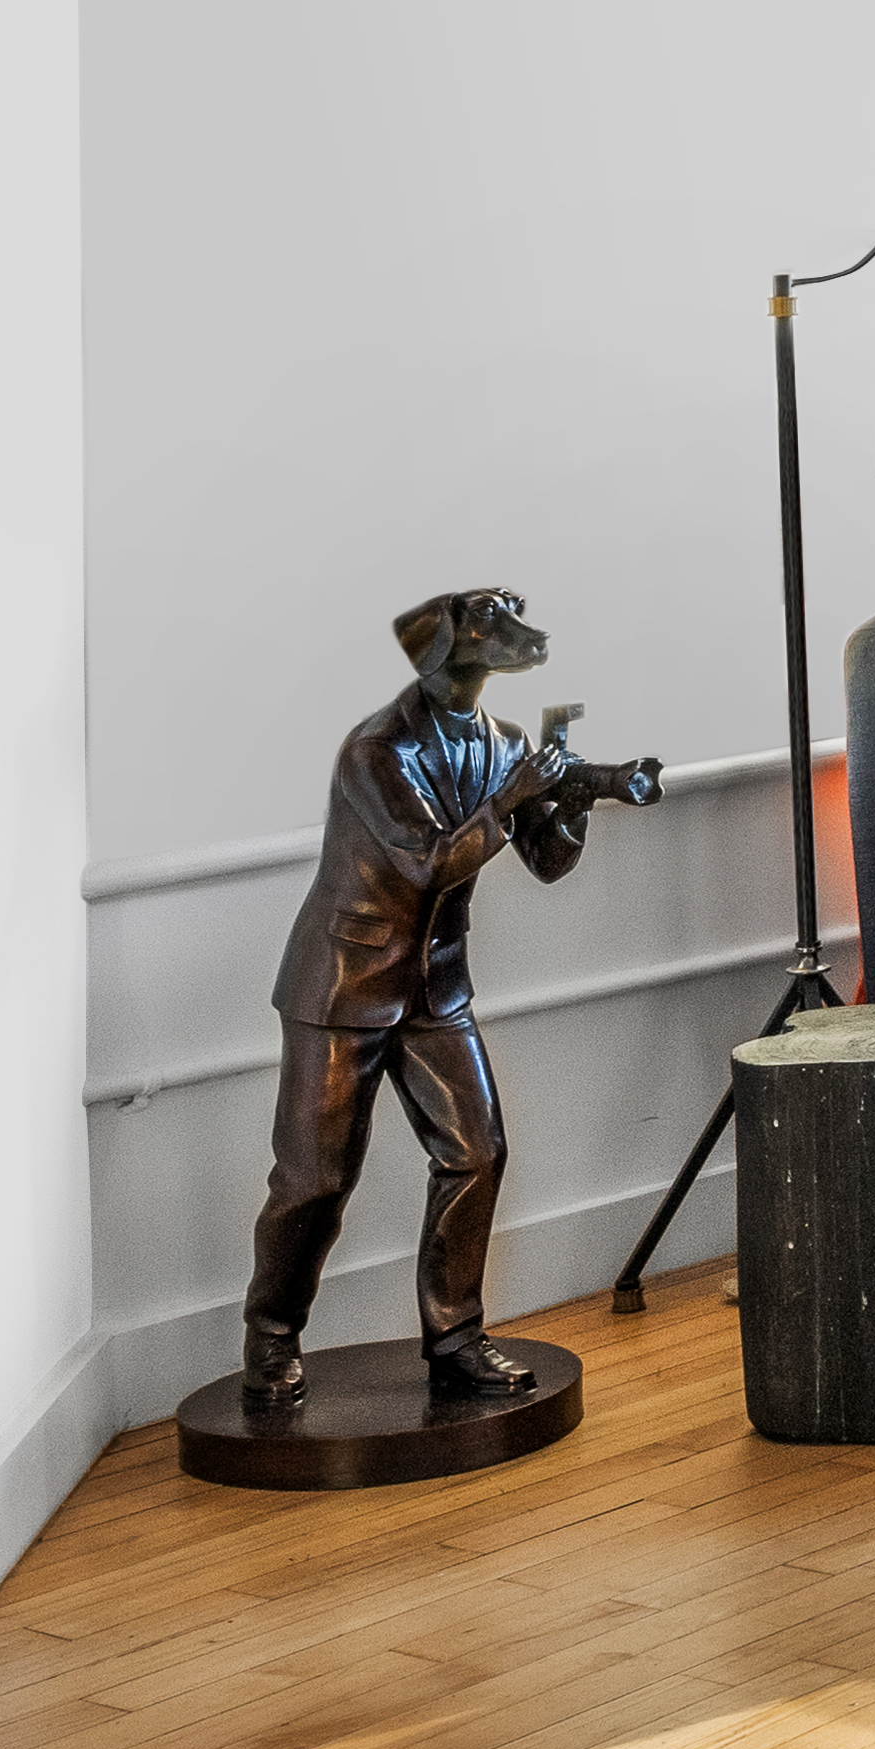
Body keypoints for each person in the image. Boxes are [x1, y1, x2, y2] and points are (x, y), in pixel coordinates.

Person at [248, 587, 656, 1402]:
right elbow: (427, 860)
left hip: (436, 985)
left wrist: (577, 798)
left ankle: (456, 1339)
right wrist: (512, 798)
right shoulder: (375, 751)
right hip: (345, 984)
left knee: (476, 1153)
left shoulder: (504, 741)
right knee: (315, 1180)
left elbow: (547, 861)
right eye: (491, 625)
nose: (513, 637)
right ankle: (271, 1339)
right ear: (442, 644)